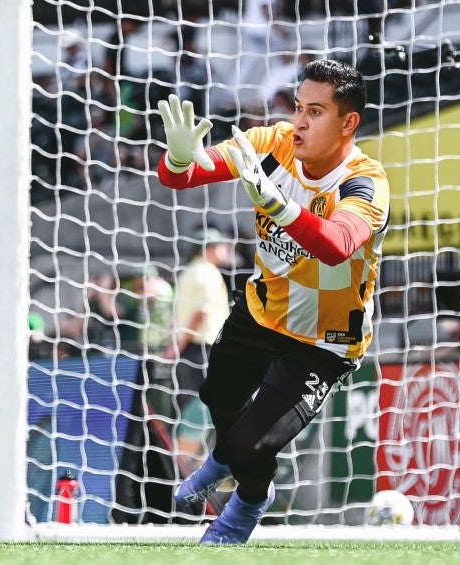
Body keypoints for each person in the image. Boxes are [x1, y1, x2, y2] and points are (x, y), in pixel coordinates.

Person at [156, 59, 389, 544]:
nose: (299, 121)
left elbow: (335, 245)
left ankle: (246, 506)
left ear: (348, 123)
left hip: (324, 340)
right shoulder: (269, 143)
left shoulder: (365, 183)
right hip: (262, 312)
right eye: (298, 107)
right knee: (216, 398)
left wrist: (279, 206)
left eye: (316, 112)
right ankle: (221, 461)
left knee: (250, 442)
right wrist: (178, 159)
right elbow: (181, 176)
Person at [163, 229, 232, 396]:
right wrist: (179, 346)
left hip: (187, 349)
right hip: (202, 350)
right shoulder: (209, 273)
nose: (225, 248)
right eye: (219, 245)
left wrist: (176, 346)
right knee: (203, 407)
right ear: (206, 249)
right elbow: (201, 312)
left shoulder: (188, 272)